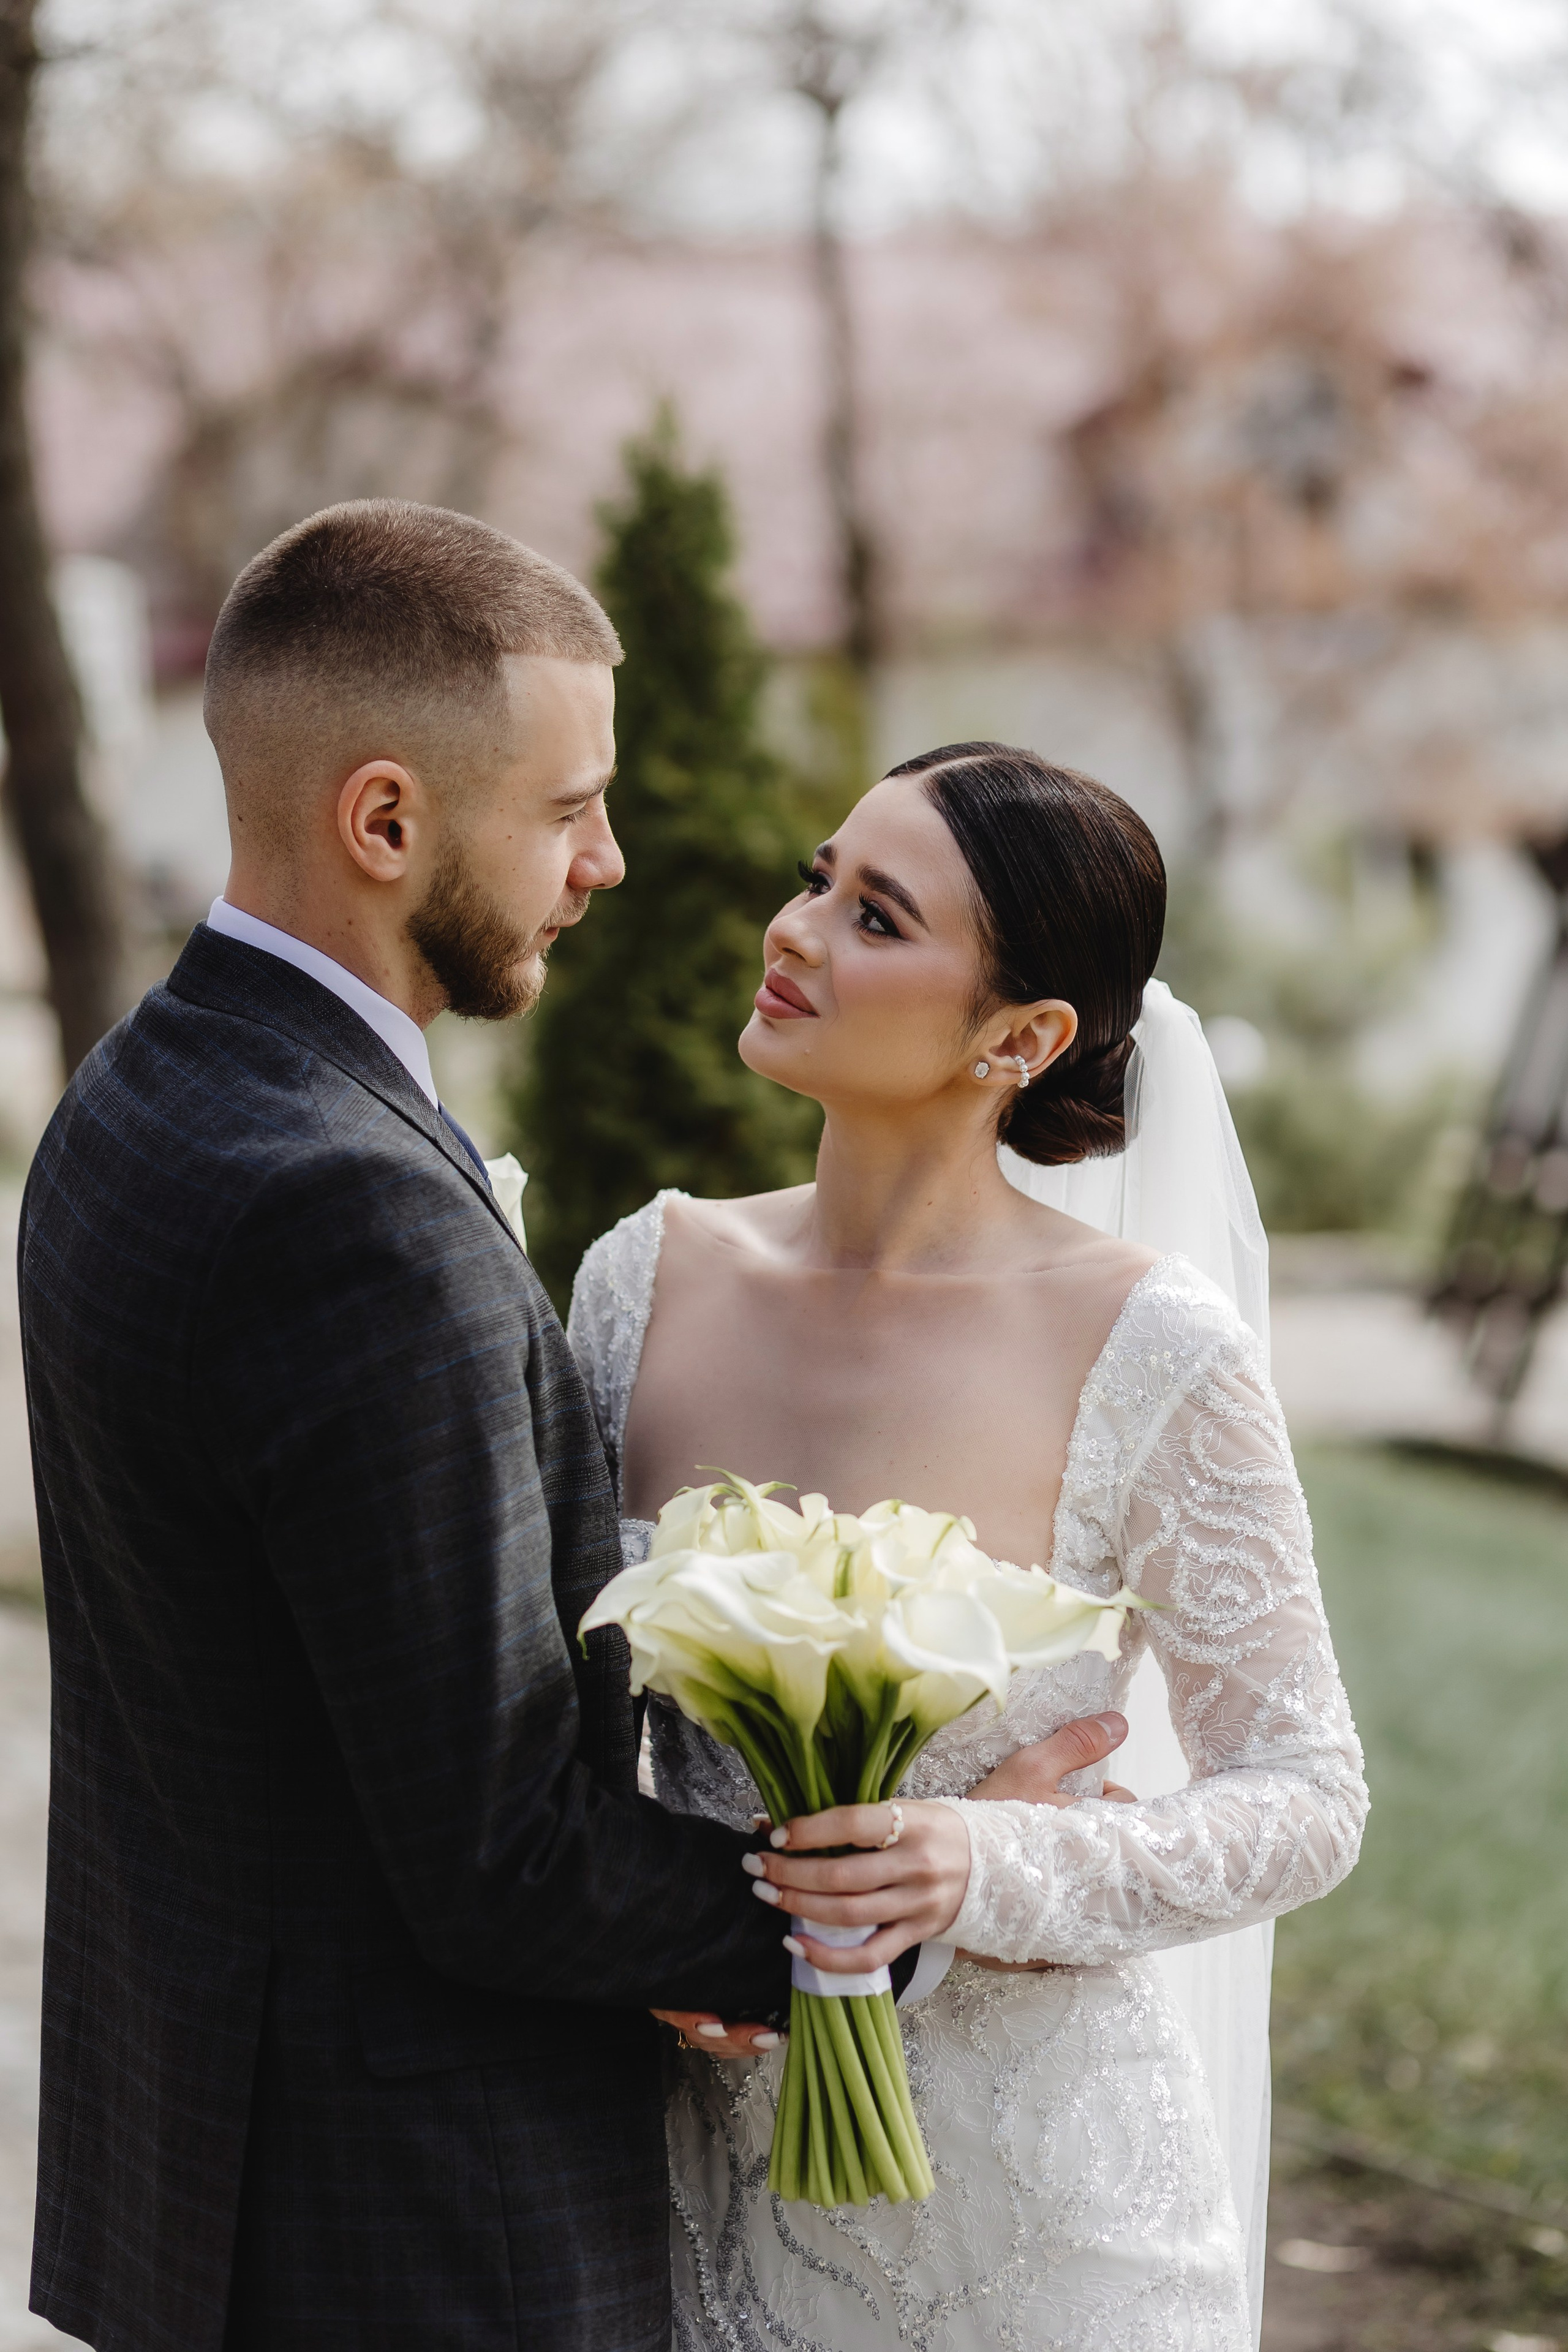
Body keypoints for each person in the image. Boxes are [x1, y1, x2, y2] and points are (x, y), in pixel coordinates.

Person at [22, 498, 827, 2352]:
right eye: (567, 810)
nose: (608, 862)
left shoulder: (134, 1099)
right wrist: (864, 1923)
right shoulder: (353, 1209)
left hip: (215, 2176)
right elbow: (505, 1858)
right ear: (385, 821)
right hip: (414, 2227)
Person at [568, 744, 1368, 2351]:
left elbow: (1306, 1795)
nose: (796, 933)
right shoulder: (641, 1282)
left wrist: (985, 1864)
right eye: (816, 880)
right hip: (700, 2190)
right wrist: (641, 1936)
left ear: (1023, 1034)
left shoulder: (1154, 1349)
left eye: (877, 917)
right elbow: (566, 1735)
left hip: (1050, 2228)